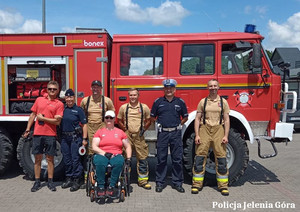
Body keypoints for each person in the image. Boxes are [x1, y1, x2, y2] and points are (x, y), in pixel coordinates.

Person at [23, 81, 64, 192]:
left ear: (57, 91)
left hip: (50, 135)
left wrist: (43, 119)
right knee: (38, 159)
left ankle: (50, 182)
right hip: (37, 134)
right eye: (50, 89)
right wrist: (27, 129)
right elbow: (32, 115)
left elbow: (57, 122)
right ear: (46, 89)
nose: (52, 91)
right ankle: (37, 182)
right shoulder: (39, 100)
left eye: (54, 89)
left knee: (50, 159)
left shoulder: (59, 104)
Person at [192, 79, 230, 196]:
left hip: (219, 129)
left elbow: (227, 119)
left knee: (221, 159)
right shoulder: (203, 102)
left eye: (215, 86)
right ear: (207, 88)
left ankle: (223, 186)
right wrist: (197, 134)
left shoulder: (223, 102)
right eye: (210, 86)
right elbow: (197, 119)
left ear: (218, 87)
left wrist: (225, 135)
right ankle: (196, 185)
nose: (213, 88)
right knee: (199, 157)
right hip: (205, 129)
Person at [150, 79, 188, 193]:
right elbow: (152, 117)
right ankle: (160, 183)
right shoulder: (158, 102)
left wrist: (179, 125)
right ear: (164, 89)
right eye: (166, 88)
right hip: (163, 133)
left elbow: (185, 117)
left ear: (174, 89)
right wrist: (158, 123)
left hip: (175, 133)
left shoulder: (180, 102)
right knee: (161, 159)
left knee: (177, 159)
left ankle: (177, 183)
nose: (169, 90)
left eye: (171, 88)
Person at [117, 88, 152, 190]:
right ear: (128, 96)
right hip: (127, 136)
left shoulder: (144, 107)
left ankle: (143, 181)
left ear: (138, 95)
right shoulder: (124, 108)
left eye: (134, 95)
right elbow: (119, 120)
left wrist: (143, 130)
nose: (133, 97)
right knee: (125, 157)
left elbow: (149, 120)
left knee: (142, 158)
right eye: (131, 95)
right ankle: (124, 179)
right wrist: (125, 130)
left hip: (139, 136)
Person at [92, 110, 132, 198]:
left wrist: (128, 158)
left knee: (118, 163)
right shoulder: (100, 132)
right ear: (104, 119)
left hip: (116, 154)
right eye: (107, 118)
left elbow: (128, 146)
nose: (109, 119)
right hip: (102, 153)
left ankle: (112, 186)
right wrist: (105, 153)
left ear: (114, 119)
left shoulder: (120, 132)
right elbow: (94, 146)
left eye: (111, 118)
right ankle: (101, 187)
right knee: (100, 162)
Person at [60, 89, 88, 192]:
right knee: (67, 159)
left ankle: (77, 179)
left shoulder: (79, 110)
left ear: (74, 98)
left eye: (71, 97)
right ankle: (69, 178)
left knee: (75, 159)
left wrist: (84, 139)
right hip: (64, 138)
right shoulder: (62, 109)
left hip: (75, 138)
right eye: (67, 97)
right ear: (65, 98)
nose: (69, 99)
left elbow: (85, 125)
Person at [80, 80, 115, 154]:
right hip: (90, 126)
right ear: (91, 88)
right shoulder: (85, 100)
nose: (95, 89)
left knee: (102, 145)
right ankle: (91, 163)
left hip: (102, 125)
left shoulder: (107, 100)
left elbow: (112, 113)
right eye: (94, 87)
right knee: (91, 147)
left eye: (97, 87)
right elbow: (81, 113)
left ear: (101, 88)